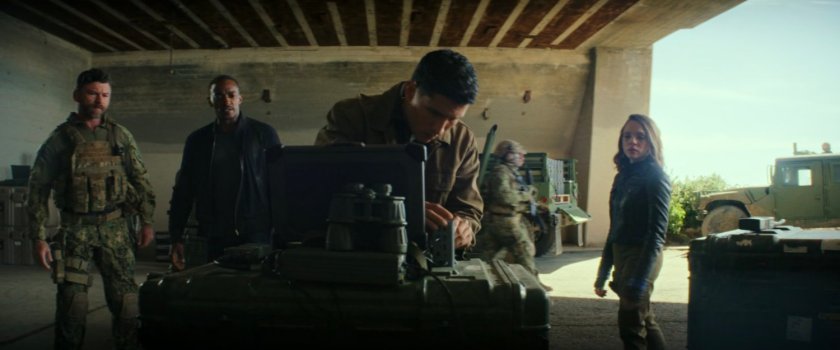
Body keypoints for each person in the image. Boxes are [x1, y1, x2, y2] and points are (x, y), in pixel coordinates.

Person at [27, 68, 156, 350]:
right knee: (73, 306)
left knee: (127, 305)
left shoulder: (120, 136)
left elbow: (140, 179)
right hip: (75, 230)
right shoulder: (60, 140)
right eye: (93, 93)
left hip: (116, 229)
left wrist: (147, 221)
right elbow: (38, 188)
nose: (100, 100)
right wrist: (37, 236)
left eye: (105, 95)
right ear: (77, 95)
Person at [314, 49, 482, 249]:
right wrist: (404, 211)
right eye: (433, 113)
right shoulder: (351, 117)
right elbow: (318, 191)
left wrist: (464, 228)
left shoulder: (463, 140)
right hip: (355, 255)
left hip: (425, 261)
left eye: (453, 120)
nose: (439, 129)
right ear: (411, 91)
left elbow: (469, 209)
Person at [168, 75, 280, 270]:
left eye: (231, 94)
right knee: (215, 290)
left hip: (254, 232)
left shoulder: (263, 134)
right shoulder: (198, 141)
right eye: (218, 95)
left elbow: (278, 186)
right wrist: (176, 236)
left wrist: (281, 233)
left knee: (252, 291)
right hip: (213, 233)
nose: (226, 100)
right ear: (210, 101)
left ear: (240, 99)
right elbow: (184, 191)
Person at [593, 114, 671, 350]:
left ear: (651, 142)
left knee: (630, 325)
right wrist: (603, 272)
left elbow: (657, 233)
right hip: (622, 252)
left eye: (640, 137)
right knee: (645, 317)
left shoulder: (655, 177)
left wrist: (639, 278)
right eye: (627, 136)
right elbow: (615, 227)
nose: (633, 142)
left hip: (643, 254)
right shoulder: (622, 177)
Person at [479, 139, 552, 290]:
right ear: (508, 155)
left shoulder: (510, 172)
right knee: (524, 250)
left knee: (486, 255)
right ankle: (534, 286)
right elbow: (505, 197)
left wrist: (536, 205)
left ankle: (478, 284)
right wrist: (526, 195)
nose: (522, 157)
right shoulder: (501, 172)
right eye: (519, 154)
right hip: (504, 221)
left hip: (501, 220)